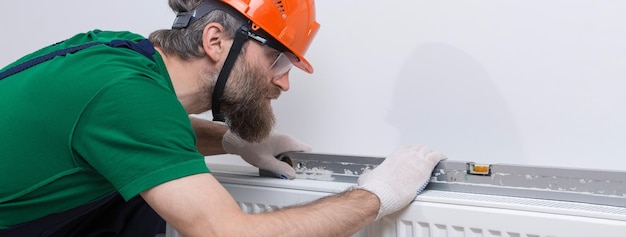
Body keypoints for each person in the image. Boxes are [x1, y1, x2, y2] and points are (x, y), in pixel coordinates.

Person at [0, 0, 446, 236]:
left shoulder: (123, 62)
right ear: (215, 40)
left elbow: (137, 136)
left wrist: (231, 141)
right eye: (278, 62)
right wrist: (376, 197)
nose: (283, 84)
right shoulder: (123, 94)